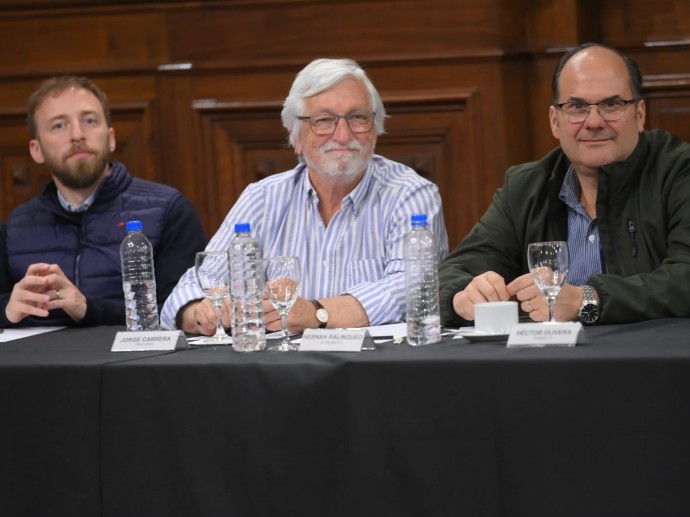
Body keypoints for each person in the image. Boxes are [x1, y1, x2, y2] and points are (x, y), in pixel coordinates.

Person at [162, 57, 448, 334]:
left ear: (375, 129)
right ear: (297, 138)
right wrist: (202, 313)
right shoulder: (262, 198)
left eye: (358, 117)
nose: (343, 134)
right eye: (324, 120)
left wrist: (314, 314)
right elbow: (199, 282)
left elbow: (413, 289)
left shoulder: (410, 194)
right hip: (280, 373)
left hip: (376, 369)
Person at [439, 42, 690, 327]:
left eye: (612, 104)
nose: (594, 121)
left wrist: (588, 299)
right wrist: (460, 296)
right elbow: (452, 272)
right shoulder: (524, 188)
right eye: (577, 107)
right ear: (555, 121)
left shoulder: (679, 172)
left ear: (640, 114)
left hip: (657, 362)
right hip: (550, 366)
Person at [0, 75, 206, 327]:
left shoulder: (169, 211)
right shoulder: (15, 227)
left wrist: (88, 309)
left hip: (136, 364)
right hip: (39, 365)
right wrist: (7, 310)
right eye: (59, 126)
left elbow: (181, 311)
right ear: (36, 150)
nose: (77, 135)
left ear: (110, 138)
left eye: (89, 120)